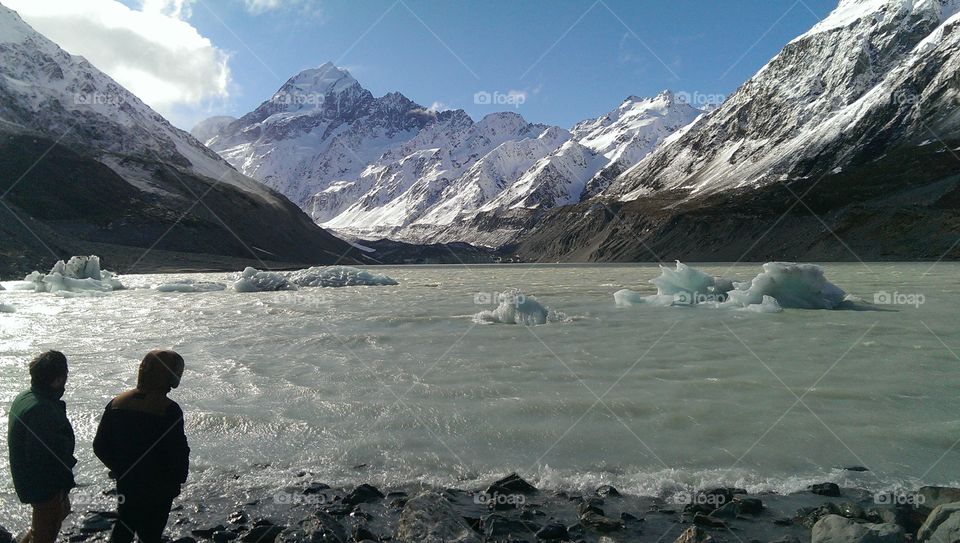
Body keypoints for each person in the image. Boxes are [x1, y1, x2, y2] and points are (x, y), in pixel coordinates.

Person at [93, 350, 189, 543]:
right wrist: (177, 480)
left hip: (127, 482)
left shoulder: (117, 402)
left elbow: (100, 445)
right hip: (159, 486)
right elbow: (177, 452)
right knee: (151, 534)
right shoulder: (168, 409)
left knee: (124, 526)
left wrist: (120, 468)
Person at [7, 351, 77, 543]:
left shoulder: (27, 397)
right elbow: (45, 459)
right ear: (57, 380)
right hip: (43, 485)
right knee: (46, 531)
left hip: (31, 480)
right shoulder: (42, 411)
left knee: (51, 519)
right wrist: (61, 488)